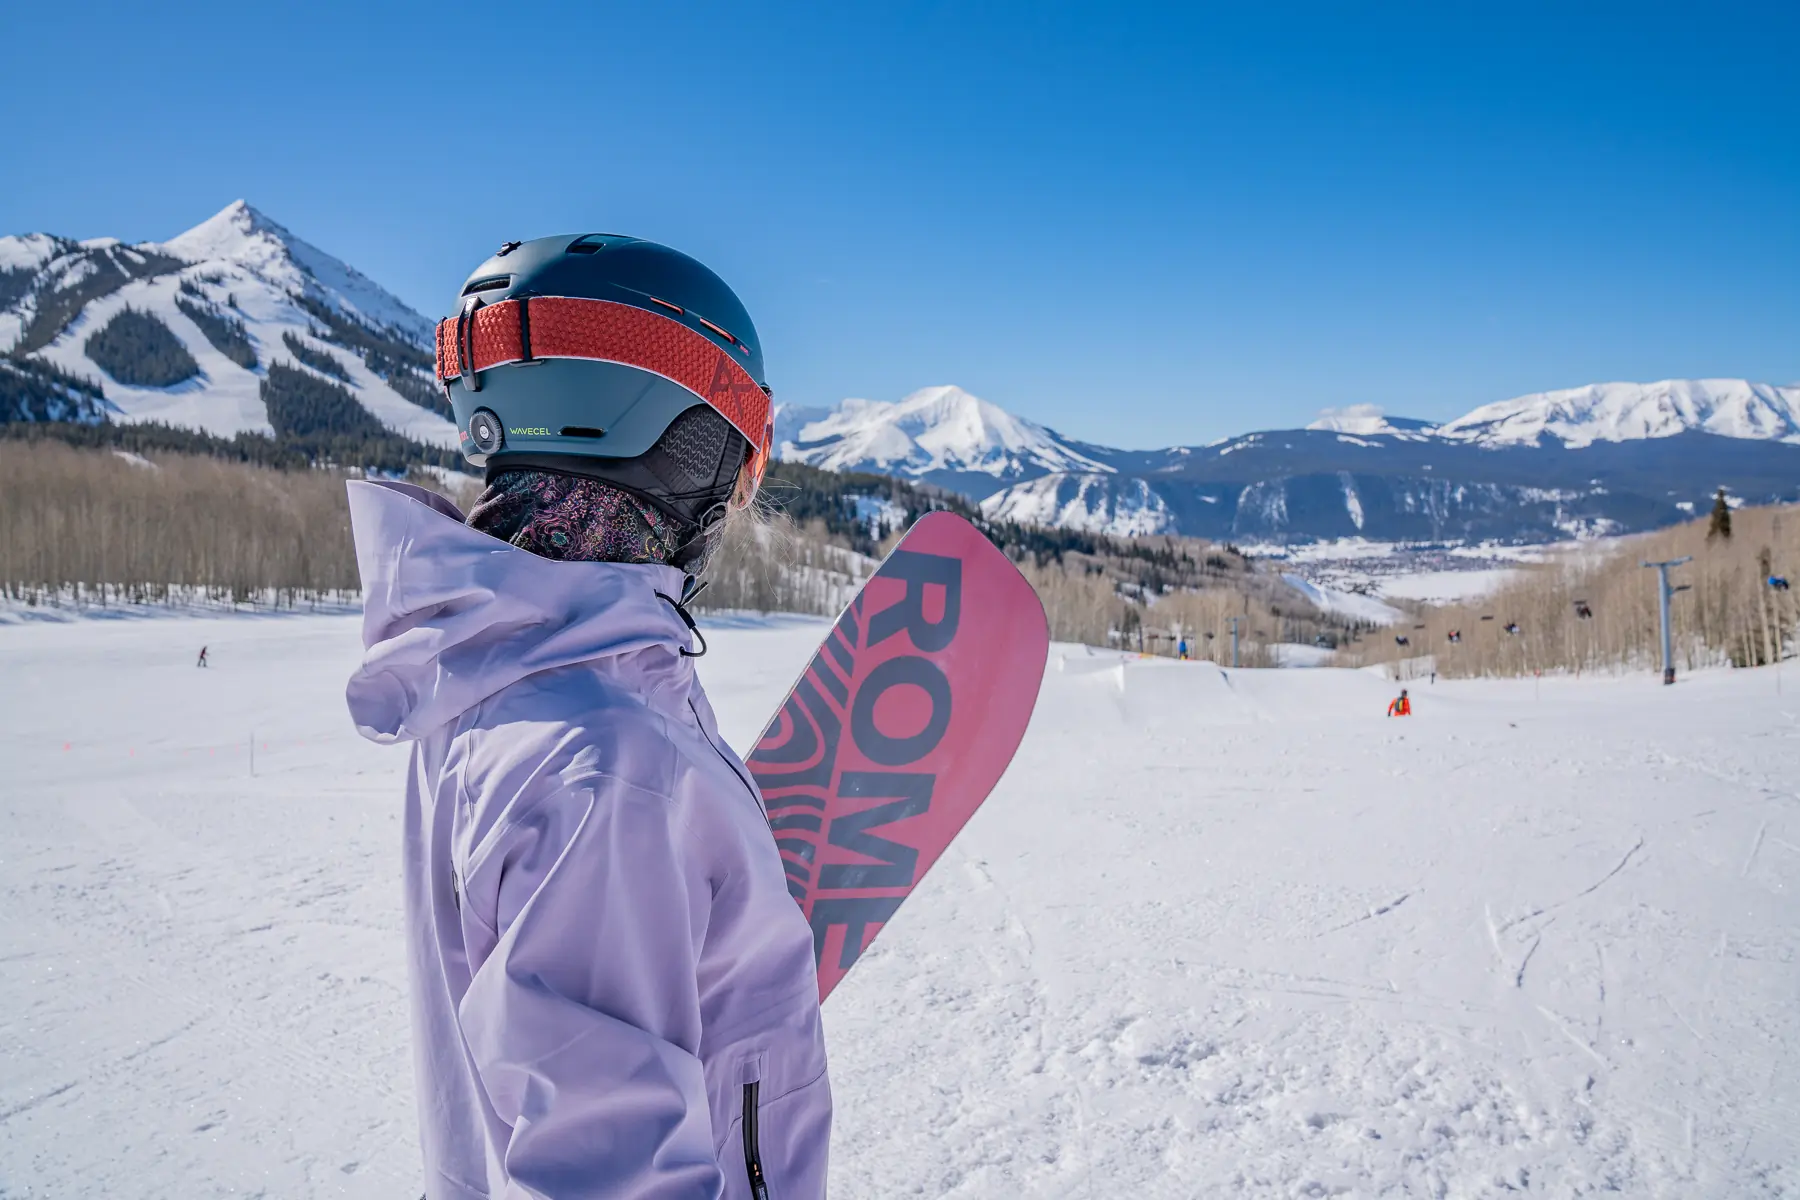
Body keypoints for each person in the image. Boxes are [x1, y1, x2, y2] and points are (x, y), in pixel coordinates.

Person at [344, 235, 828, 1199]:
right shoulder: (601, 764)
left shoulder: (497, 672)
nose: (733, 501)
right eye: (735, 460)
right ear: (679, 441)